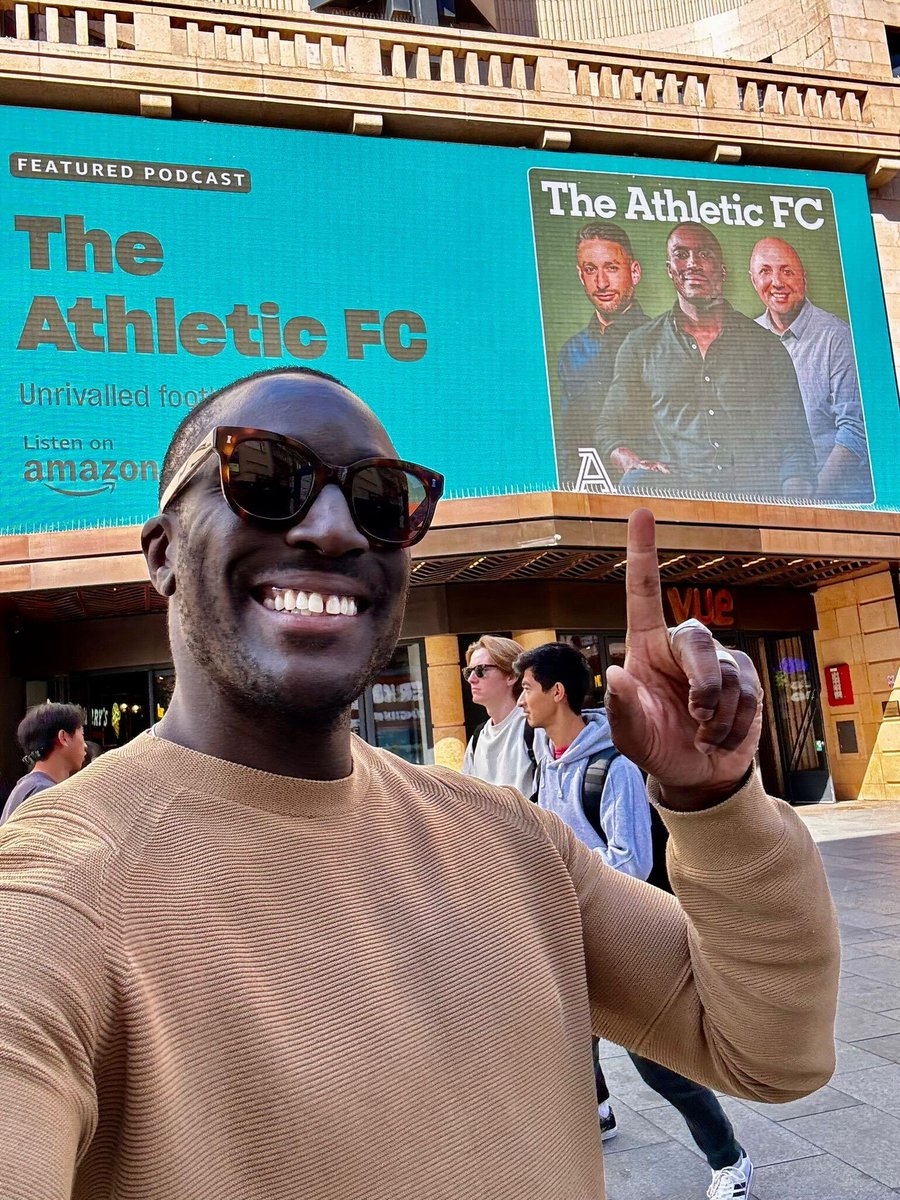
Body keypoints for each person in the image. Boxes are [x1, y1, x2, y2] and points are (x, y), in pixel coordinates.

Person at [0, 365, 839, 1200]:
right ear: (163, 554)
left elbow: (770, 1052)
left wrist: (713, 803)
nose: (335, 529)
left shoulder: (514, 842)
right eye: (265, 479)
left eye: (379, 500)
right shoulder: (59, 890)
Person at [515, 642, 752, 1199]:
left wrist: (568, 873)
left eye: (526, 688)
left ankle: (729, 1159)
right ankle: (597, 1109)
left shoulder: (613, 765)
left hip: (623, 929)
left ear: (557, 692)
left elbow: (633, 860)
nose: (521, 699)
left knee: (656, 1060)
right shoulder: (546, 757)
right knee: (570, 1037)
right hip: (571, 925)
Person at [599, 222, 817, 499]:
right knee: (636, 483)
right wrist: (632, 463)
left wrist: (792, 510)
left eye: (704, 254)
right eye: (681, 255)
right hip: (676, 500)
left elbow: (796, 443)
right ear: (670, 269)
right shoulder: (640, 345)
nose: (692, 263)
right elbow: (609, 428)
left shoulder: (767, 347)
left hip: (755, 498)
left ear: (722, 271)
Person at [749, 236, 873, 503]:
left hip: (832, 500)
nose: (777, 282)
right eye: (765, 271)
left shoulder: (837, 338)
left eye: (787, 271)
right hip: (768, 502)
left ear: (804, 279)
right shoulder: (746, 337)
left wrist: (809, 503)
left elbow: (856, 431)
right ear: (753, 281)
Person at [555, 223, 649, 488]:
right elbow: (568, 444)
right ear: (580, 275)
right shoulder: (571, 352)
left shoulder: (662, 341)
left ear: (634, 272)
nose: (601, 283)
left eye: (611, 268)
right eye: (590, 270)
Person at [461, 634, 538, 795]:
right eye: (468, 672)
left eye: (481, 670)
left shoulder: (535, 728)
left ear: (512, 676)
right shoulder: (477, 738)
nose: (471, 679)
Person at [0, 702, 86, 824]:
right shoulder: (45, 792)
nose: (85, 745)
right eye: (82, 734)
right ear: (63, 737)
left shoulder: (28, 785)